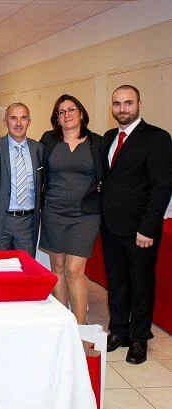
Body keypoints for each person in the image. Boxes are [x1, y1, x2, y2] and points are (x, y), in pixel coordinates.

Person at [102, 85, 172, 364]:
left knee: (141, 284)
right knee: (117, 282)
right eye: (117, 104)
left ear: (139, 104)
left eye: (128, 103)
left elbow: (162, 187)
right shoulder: (109, 137)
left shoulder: (157, 138)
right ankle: (119, 331)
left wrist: (148, 227)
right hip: (109, 227)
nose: (122, 109)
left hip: (140, 230)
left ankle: (139, 338)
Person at [39, 94, 105, 325]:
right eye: (61, 112)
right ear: (56, 118)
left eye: (71, 110)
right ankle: (63, 323)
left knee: (74, 270)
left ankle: (80, 327)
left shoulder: (97, 142)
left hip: (85, 215)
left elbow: (107, 173)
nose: (67, 115)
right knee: (56, 267)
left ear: (82, 113)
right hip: (54, 212)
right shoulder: (48, 141)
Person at [0, 103, 43, 256]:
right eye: (13, 118)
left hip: (28, 223)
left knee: (26, 271)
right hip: (0, 220)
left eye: (23, 118)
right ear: (5, 121)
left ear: (29, 122)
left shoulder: (39, 149)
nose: (19, 123)